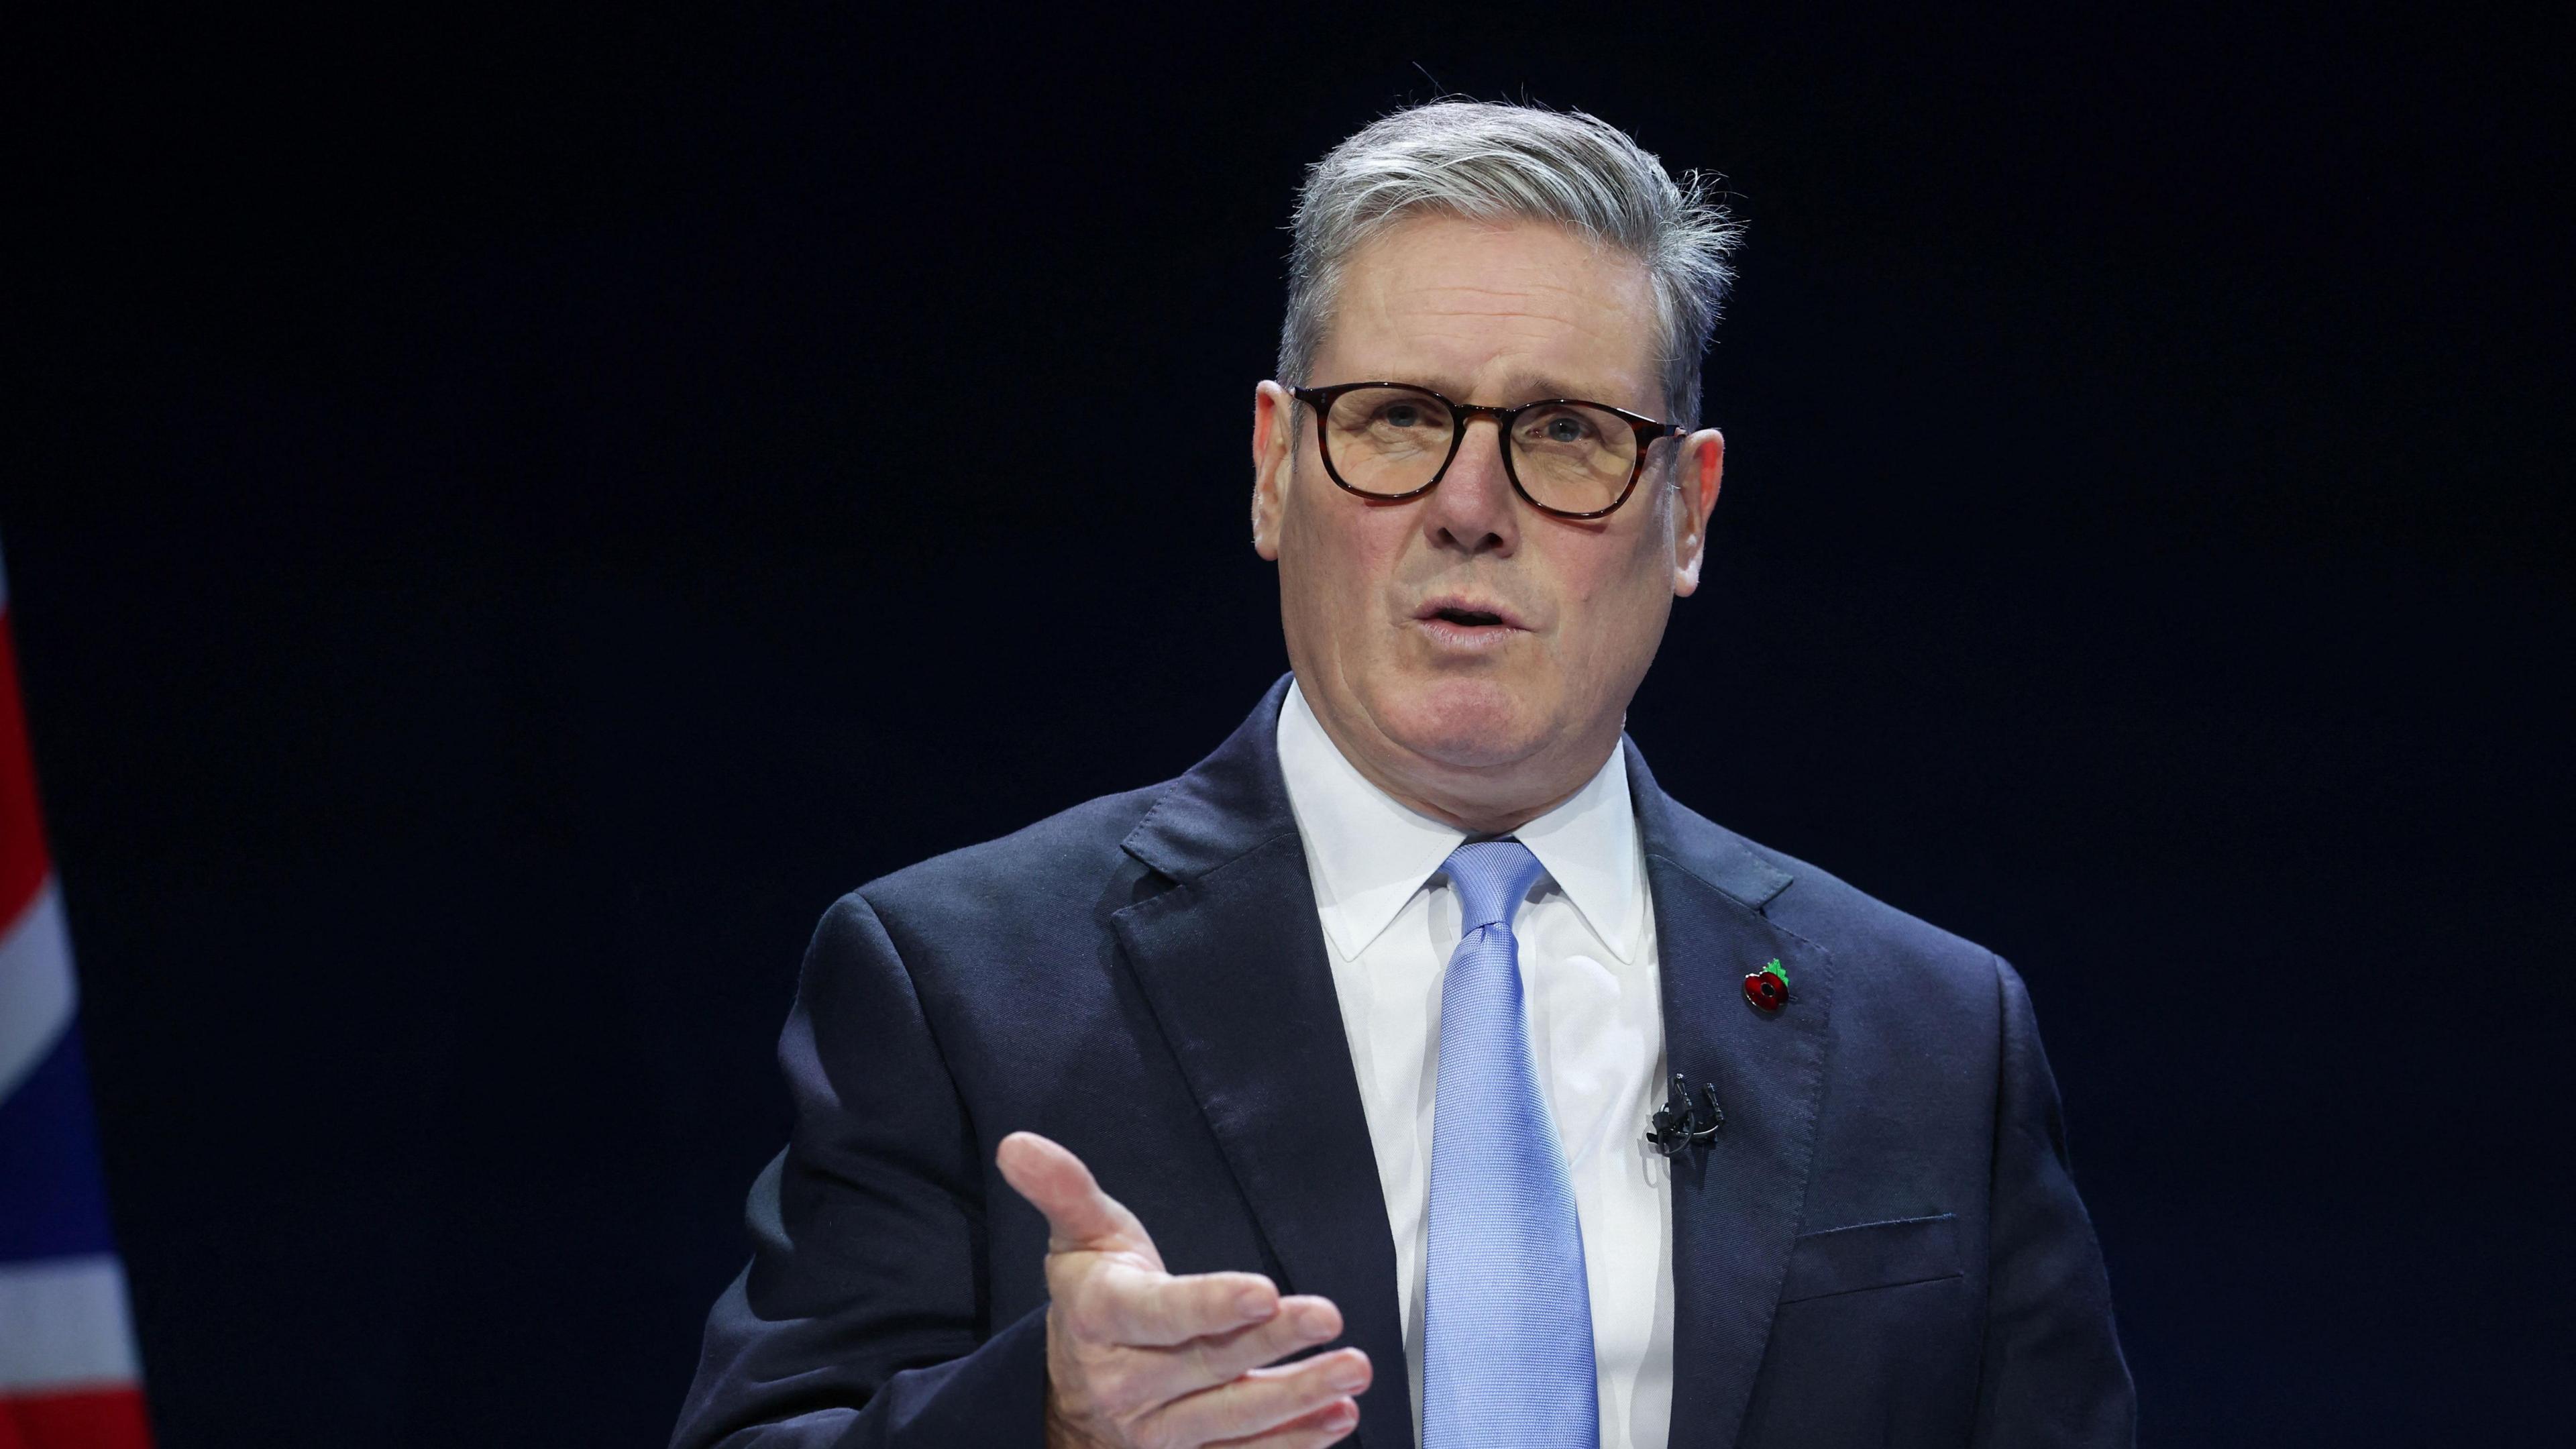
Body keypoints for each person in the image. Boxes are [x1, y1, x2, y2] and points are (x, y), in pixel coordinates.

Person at [672, 101, 2133, 1449]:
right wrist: (1045, 1417)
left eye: (1566, 434)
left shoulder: (1937, 1037)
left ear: (1687, 514)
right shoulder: (959, 987)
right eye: (1397, 420)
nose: (1470, 508)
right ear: (1272, 468)